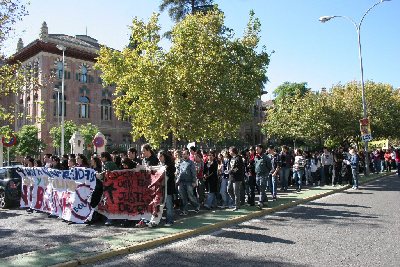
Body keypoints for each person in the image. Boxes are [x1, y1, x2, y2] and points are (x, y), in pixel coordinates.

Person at [97, 151, 119, 226]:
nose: (100, 158)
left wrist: (100, 175)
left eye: (101, 157)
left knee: (110, 201)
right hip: (112, 185)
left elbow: (107, 174)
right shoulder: (110, 163)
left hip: (110, 186)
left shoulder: (107, 164)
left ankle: (111, 218)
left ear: (105, 157)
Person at [176, 149, 199, 215]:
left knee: (190, 196)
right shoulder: (181, 163)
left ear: (188, 155)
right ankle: (184, 210)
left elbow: (194, 173)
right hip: (181, 182)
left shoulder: (191, 163)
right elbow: (179, 172)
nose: (183, 155)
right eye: (183, 154)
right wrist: (177, 180)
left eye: (185, 154)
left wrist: (194, 181)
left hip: (189, 182)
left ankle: (196, 206)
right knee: (183, 197)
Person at [158, 150, 176, 226]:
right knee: (161, 204)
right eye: (158, 156)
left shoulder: (170, 165)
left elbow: (170, 175)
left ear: (164, 156)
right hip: (161, 188)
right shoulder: (159, 165)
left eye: (161, 156)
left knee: (169, 204)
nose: (159, 158)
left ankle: (170, 220)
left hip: (168, 188)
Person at [255, 144, 271, 209]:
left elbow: (269, 167)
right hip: (257, 175)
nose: (256, 150)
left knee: (262, 188)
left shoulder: (266, 157)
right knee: (261, 189)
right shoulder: (256, 157)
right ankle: (266, 201)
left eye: (257, 149)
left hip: (264, 175)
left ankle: (260, 202)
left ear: (261, 149)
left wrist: (266, 174)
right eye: (256, 149)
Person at [228, 146, 244, 211]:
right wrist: (229, 171)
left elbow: (238, 168)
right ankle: (236, 201)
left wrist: (231, 171)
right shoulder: (231, 158)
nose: (229, 152)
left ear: (233, 151)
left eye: (230, 151)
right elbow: (230, 166)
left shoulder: (239, 158)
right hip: (231, 177)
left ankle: (237, 205)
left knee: (236, 191)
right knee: (229, 189)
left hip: (237, 178)